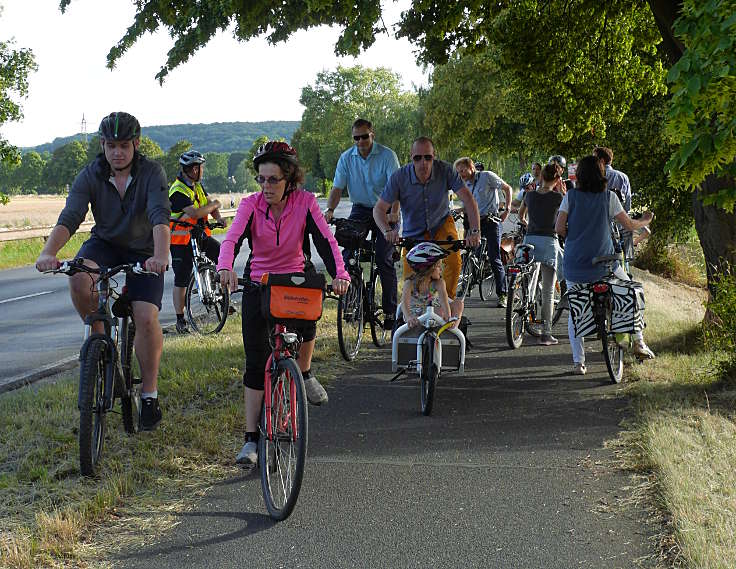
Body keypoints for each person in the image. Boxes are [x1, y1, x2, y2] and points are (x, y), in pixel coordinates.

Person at [216, 141, 350, 465]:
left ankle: (303, 372)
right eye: (261, 179)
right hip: (259, 282)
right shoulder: (250, 205)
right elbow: (232, 239)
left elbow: (325, 241)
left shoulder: (305, 203)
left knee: (309, 316)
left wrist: (340, 274)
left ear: (289, 178)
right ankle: (250, 441)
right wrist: (225, 268)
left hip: (294, 279)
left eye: (273, 179)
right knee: (255, 362)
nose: (266, 187)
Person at [35, 112, 170, 430]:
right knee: (80, 278)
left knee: (145, 315)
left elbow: (159, 217)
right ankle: (101, 343)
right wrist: (48, 252)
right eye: (111, 146)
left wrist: (161, 255)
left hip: (145, 249)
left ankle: (149, 394)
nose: (117, 153)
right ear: (102, 145)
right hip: (105, 243)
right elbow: (71, 216)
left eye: (124, 145)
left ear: (136, 144)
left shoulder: (152, 173)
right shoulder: (91, 174)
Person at [555, 155, 655, 376]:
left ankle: (578, 363)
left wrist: (574, 237)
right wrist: (646, 220)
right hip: (605, 265)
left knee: (576, 311)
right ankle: (639, 341)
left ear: (578, 175)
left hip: (575, 265)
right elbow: (628, 225)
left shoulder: (569, 197)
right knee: (630, 290)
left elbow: (559, 227)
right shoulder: (609, 197)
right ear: (602, 175)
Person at [373, 137, 481, 323]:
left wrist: (474, 231)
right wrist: (387, 231)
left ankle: (442, 309)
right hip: (414, 232)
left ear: (434, 157)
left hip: (441, 223)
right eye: (417, 158)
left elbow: (468, 200)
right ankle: (413, 319)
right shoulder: (399, 177)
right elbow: (379, 209)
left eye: (428, 158)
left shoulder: (446, 170)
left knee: (454, 263)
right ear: (411, 158)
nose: (423, 163)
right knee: (410, 279)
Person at [324, 118, 400, 328]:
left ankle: (390, 312)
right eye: (356, 138)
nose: (360, 141)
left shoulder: (387, 156)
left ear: (372, 134)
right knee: (347, 255)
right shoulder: (346, 158)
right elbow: (337, 188)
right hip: (360, 208)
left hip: (385, 209)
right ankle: (351, 300)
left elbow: (396, 188)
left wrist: (394, 212)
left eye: (364, 136)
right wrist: (330, 210)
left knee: (384, 259)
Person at [169, 150, 227, 334]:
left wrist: (218, 216)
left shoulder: (197, 186)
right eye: (201, 167)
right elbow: (195, 213)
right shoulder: (178, 190)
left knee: (223, 257)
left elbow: (207, 204)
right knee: (182, 280)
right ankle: (181, 320)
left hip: (198, 235)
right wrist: (216, 204)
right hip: (180, 240)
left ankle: (221, 295)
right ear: (194, 169)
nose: (203, 170)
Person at [453, 157, 512, 307]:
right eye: (458, 172)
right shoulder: (464, 184)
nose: (461, 174)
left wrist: (507, 209)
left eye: (463, 170)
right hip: (475, 223)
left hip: (491, 222)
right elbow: (469, 205)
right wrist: (458, 210)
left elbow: (507, 188)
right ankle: (468, 282)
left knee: (494, 258)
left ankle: (503, 294)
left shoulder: (486, 176)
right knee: (469, 252)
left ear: (471, 167)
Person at [518, 163, 564, 345]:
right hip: (549, 242)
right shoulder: (558, 197)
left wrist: (528, 225)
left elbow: (521, 216)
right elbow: (568, 215)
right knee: (548, 290)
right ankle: (546, 333)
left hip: (530, 240)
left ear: (541, 177)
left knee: (527, 277)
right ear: (557, 179)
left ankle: (524, 301)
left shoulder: (529, 195)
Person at [400, 242, 452, 328]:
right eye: (438, 266)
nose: (441, 269)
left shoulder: (439, 283)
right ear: (429, 269)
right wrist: (409, 317)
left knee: (459, 304)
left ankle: (451, 330)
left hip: (433, 313)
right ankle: (442, 328)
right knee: (440, 311)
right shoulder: (410, 283)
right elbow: (404, 303)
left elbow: (444, 300)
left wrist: (448, 316)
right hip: (415, 317)